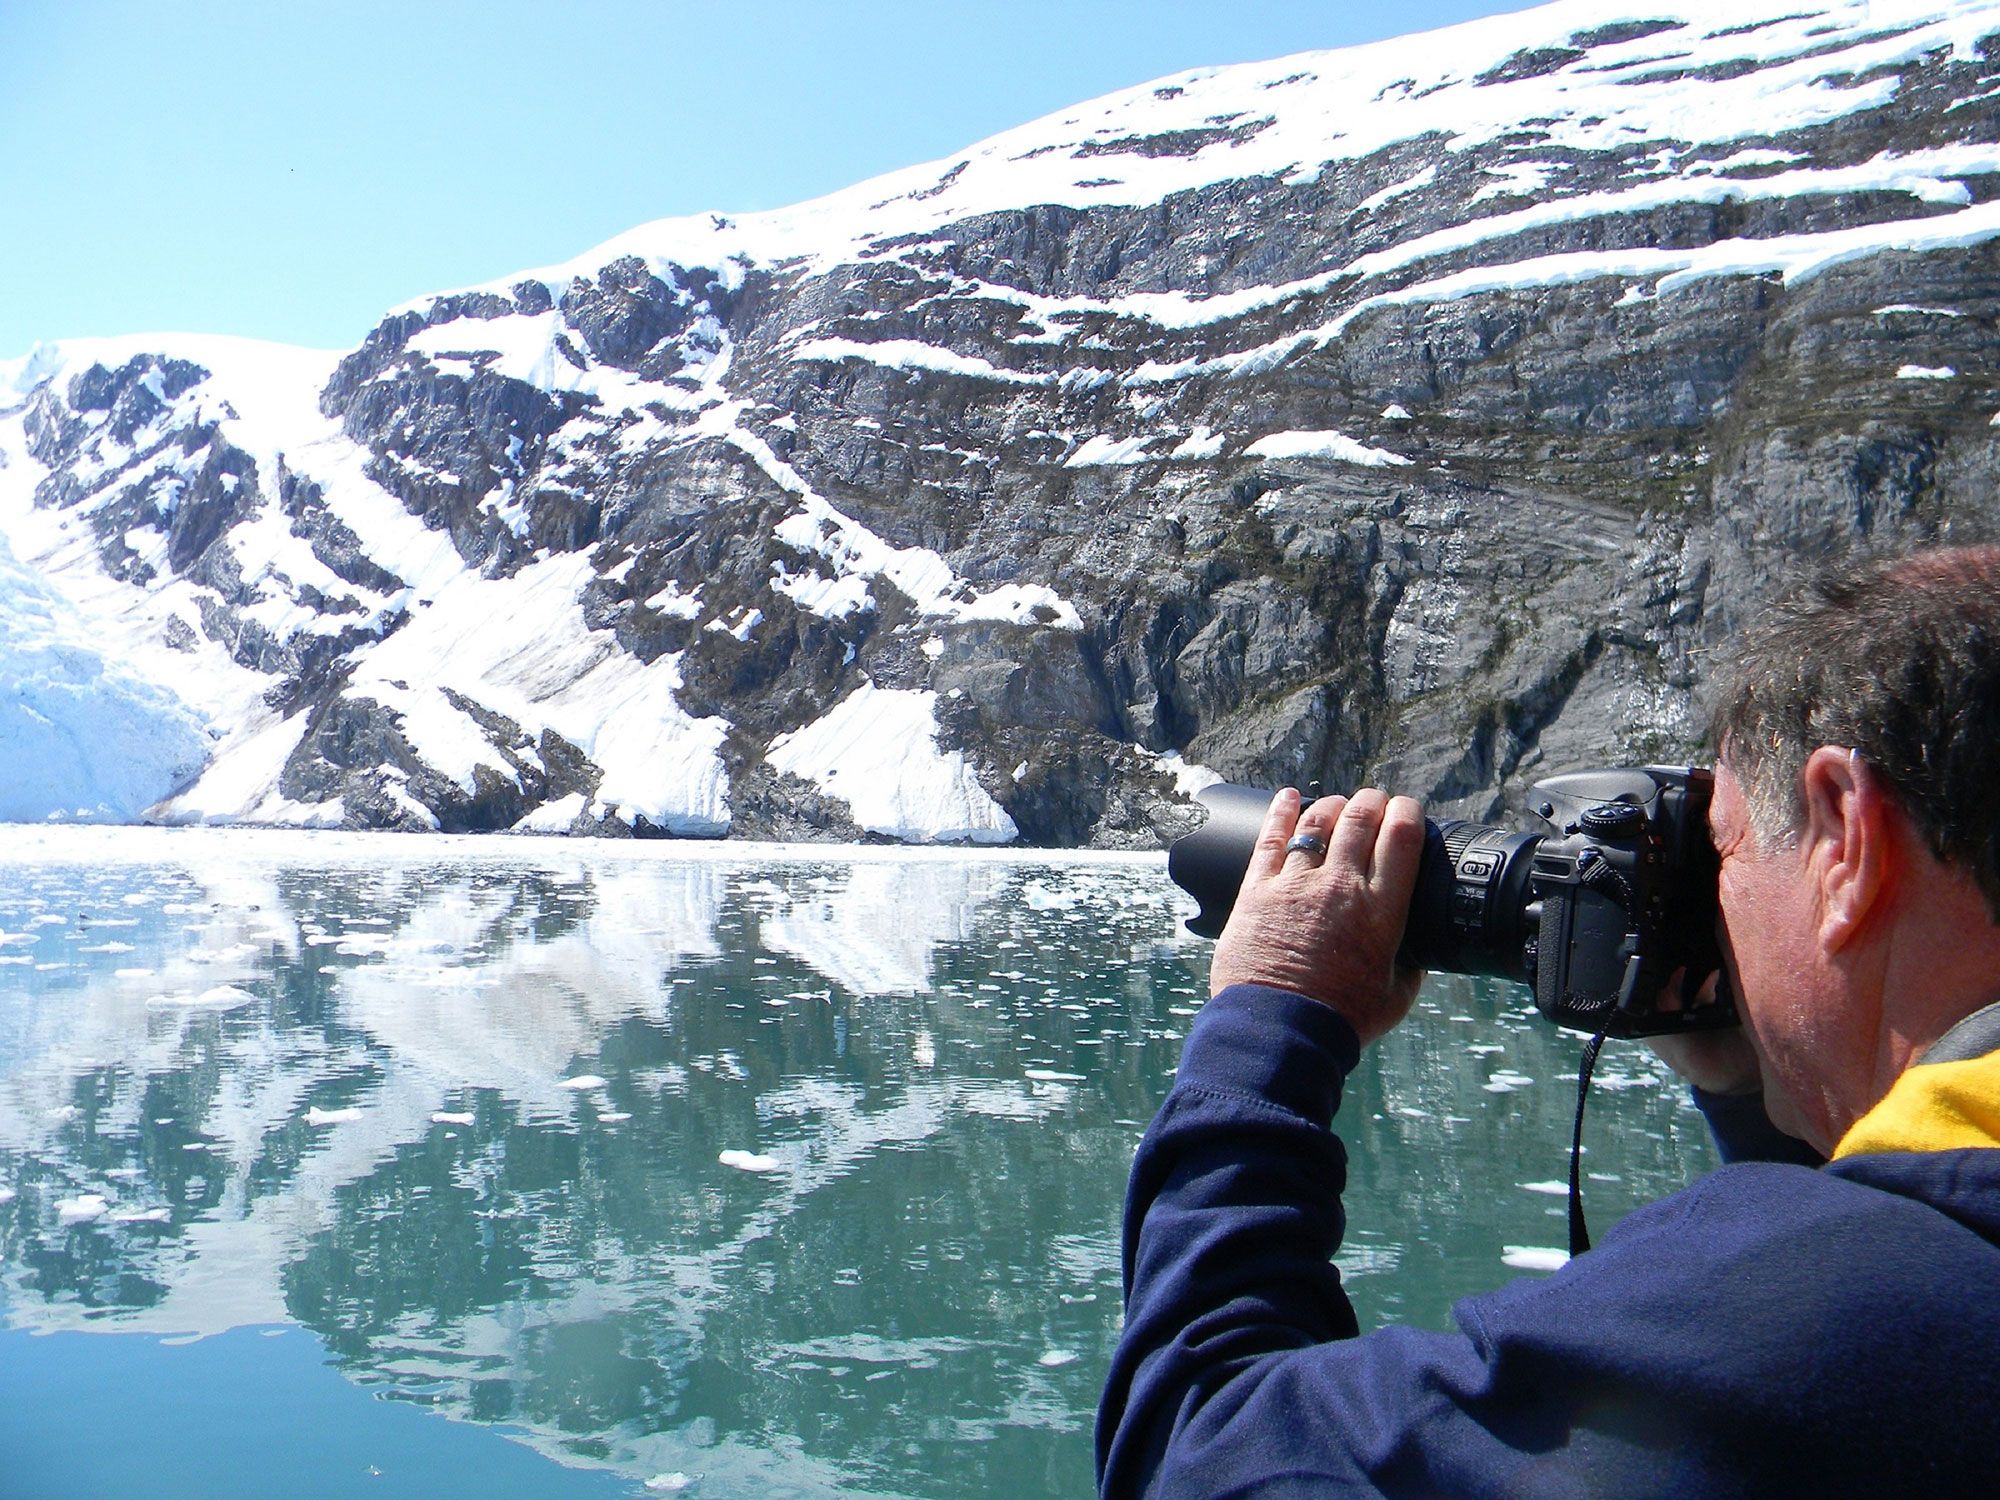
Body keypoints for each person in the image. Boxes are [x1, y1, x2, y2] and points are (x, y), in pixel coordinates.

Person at [1097, 545, 2000, 1497]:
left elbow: (1199, 1450)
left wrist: (1268, 1021)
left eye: (1722, 848)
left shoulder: (1820, 1312)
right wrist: (1749, 1086)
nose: (1711, 907)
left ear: (1845, 840)